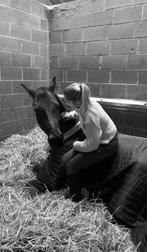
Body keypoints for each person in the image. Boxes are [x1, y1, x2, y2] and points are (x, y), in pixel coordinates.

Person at [62, 82, 118, 202]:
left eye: (67, 101)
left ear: (76, 102)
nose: (66, 103)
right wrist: (70, 115)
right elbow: (78, 112)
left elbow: (93, 145)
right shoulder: (85, 102)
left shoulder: (89, 117)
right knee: (64, 159)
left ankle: (77, 200)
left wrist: (76, 145)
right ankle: (76, 185)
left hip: (107, 143)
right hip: (97, 138)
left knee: (71, 167)